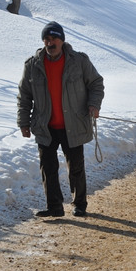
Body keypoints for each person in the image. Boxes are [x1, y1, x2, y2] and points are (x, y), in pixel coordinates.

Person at [17, 21, 105, 218]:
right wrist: (23, 122)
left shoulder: (79, 61)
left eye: (54, 38)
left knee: (75, 167)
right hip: (45, 126)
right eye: (46, 39)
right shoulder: (32, 65)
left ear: (62, 40)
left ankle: (79, 203)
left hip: (72, 124)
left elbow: (96, 83)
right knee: (48, 168)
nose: (50, 43)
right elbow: (24, 95)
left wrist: (94, 104)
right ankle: (54, 206)